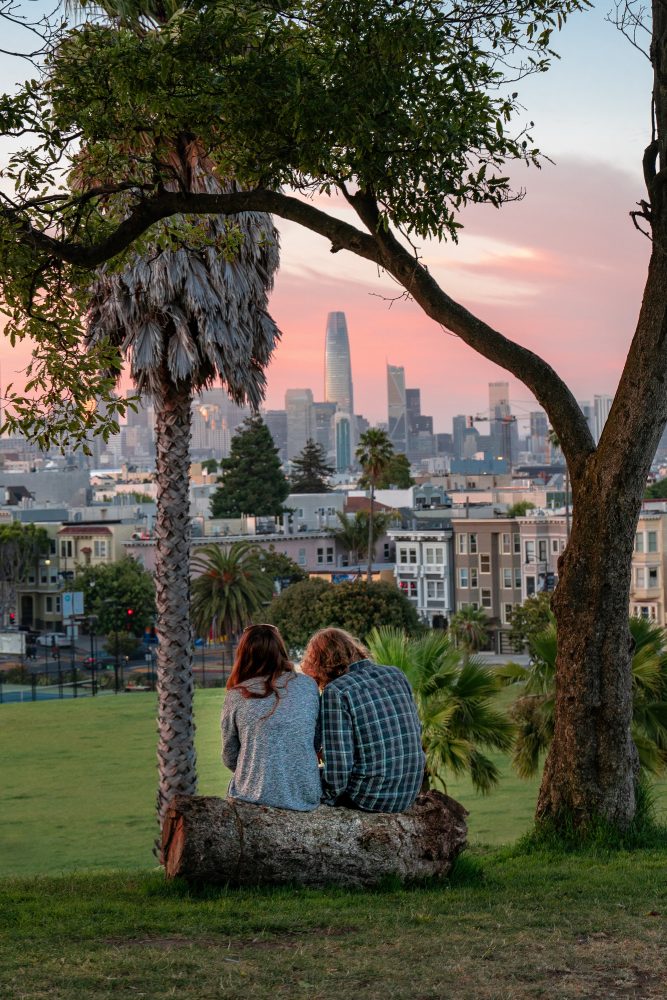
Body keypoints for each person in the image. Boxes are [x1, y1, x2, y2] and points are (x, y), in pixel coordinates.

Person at [301, 627, 425, 812]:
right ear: (353, 648)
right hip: (409, 790)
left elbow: (339, 769)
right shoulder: (396, 674)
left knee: (300, 779)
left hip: (370, 797)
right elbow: (416, 731)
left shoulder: (336, 691)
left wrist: (325, 798)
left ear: (319, 664)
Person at [221, 623, 321, 811]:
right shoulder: (309, 686)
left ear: (243, 654)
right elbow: (314, 741)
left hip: (252, 796)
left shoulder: (236, 695)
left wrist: (261, 770)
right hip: (304, 794)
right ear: (280, 650)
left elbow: (229, 755)